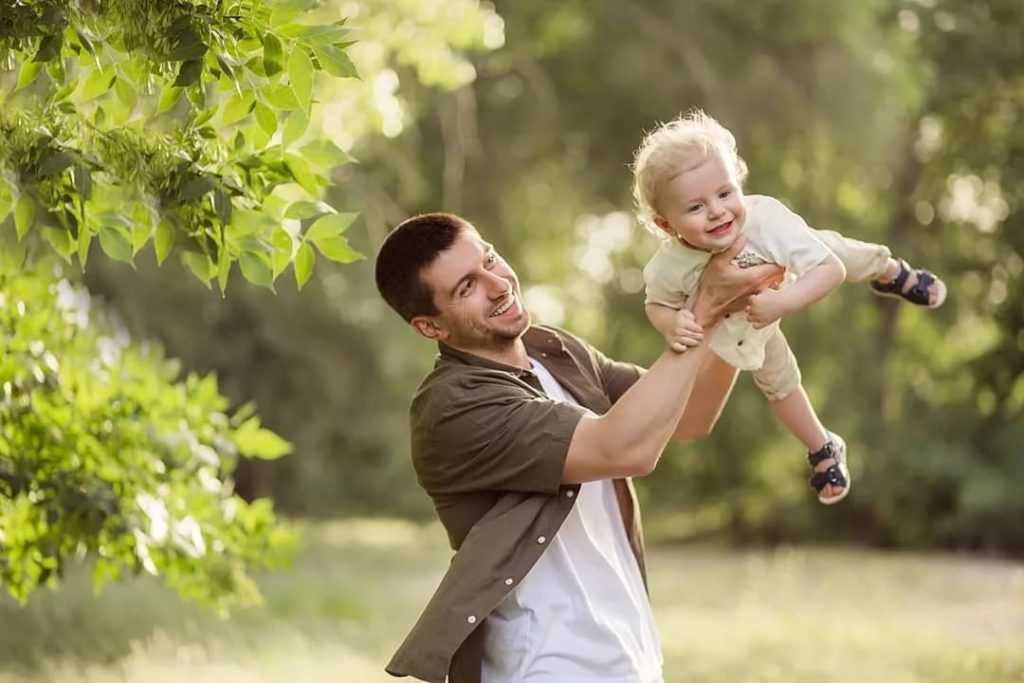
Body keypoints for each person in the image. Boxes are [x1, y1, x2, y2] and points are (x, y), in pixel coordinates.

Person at [374, 212, 780, 683]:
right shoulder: (454, 407)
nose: (497, 282)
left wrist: (737, 312)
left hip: (627, 655)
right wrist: (706, 306)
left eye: (489, 259)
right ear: (431, 327)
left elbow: (689, 415)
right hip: (550, 665)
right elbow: (626, 449)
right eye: (466, 287)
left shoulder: (554, 350)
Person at [632, 109, 947, 505]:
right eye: (695, 207)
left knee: (837, 249)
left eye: (726, 193)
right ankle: (823, 448)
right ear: (666, 225)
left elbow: (828, 271)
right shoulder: (667, 266)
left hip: (786, 287)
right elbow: (656, 303)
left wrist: (784, 301)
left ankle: (891, 272)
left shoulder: (765, 221)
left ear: (738, 184)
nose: (717, 210)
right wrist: (670, 323)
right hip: (744, 323)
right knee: (777, 382)